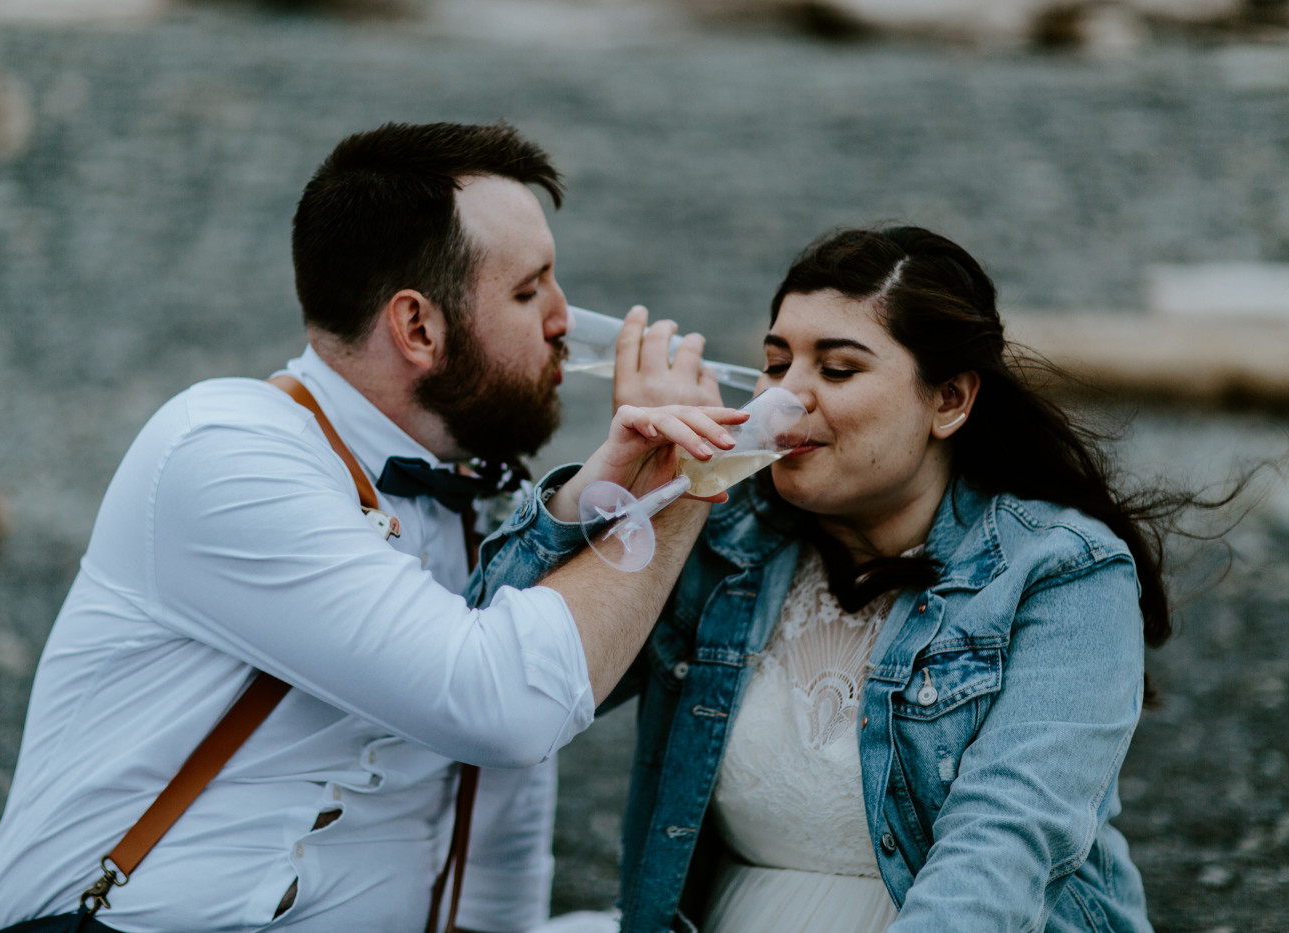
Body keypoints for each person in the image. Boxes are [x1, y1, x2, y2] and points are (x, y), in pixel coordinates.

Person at [0, 121, 734, 933]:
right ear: (417, 329)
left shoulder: (488, 499)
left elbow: (503, 804)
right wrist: (683, 486)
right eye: (528, 290)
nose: (566, 321)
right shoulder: (224, 450)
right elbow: (503, 705)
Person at [478, 226, 1178, 932]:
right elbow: (492, 674)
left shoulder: (1063, 570)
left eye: (837, 370)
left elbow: (1005, 845)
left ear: (951, 400)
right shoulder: (721, 532)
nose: (787, 399)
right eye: (776, 364)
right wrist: (628, 484)